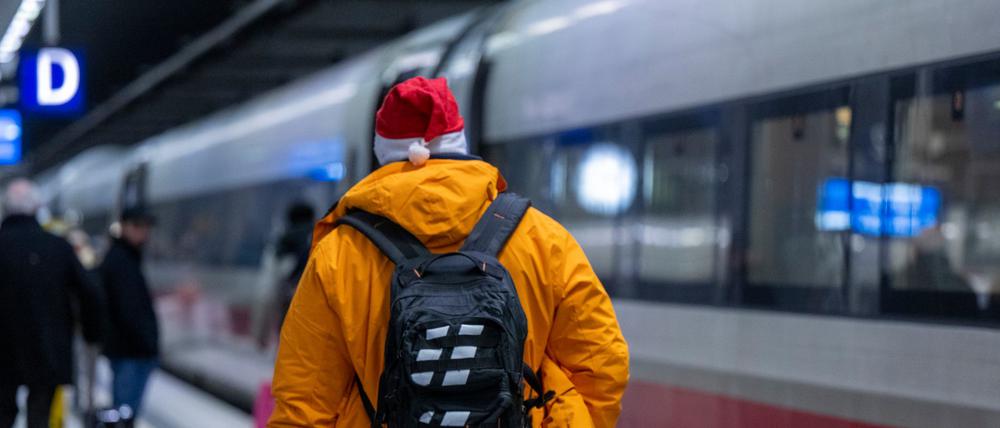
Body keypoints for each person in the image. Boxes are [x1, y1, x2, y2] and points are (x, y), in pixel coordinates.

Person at [270, 77, 629, 427]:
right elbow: (601, 363)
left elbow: (303, 402)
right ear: (459, 143)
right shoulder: (543, 239)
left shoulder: (338, 255)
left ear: (383, 153)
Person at [0, 179, 103, 428]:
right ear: (37, 208)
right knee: (40, 413)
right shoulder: (58, 247)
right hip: (47, 348)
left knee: (2, 412)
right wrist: (92, 333)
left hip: (1, 351)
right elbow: (91, 292)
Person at [99, 207, 160, 420]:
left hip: (132, 350)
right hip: (130, 351)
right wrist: (146, 341)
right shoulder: (120, 260)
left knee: (125, 412)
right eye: (138, 227)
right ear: (124, 227)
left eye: (146, 228)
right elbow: (128, 309)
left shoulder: (127, 258)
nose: (144, 233)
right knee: (124, 412)